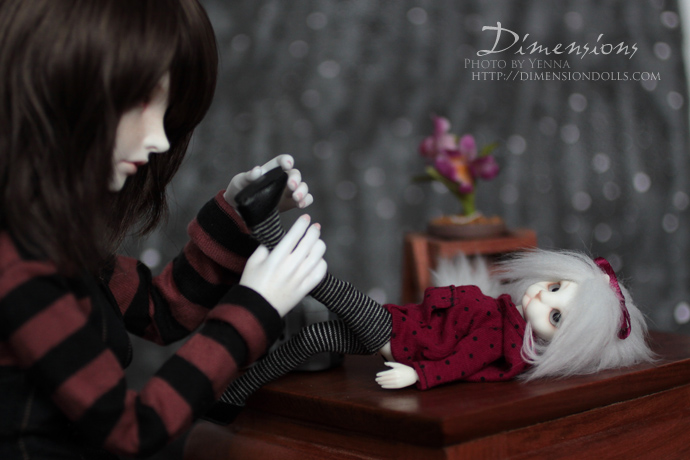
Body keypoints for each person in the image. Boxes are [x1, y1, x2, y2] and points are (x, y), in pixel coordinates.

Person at [0, 1, 327, 458]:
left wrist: (235, 218)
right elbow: (133, 432)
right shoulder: (19, 269)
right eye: (141, 102)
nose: (159, 138)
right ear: (59, 84)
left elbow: (162, 310)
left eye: (165, 111)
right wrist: (256, 307)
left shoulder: (51, 243)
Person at [211, 169, 655, 422]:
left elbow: (462, 362)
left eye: (556, 317)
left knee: (324, 283)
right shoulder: (507, 314)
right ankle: (232, 397)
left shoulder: (503, 337)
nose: (542, 298)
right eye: (554, 288)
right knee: (313, 338)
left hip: (397, 338)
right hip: (400, 325)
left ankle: (264, 223)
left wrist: (418, 375)